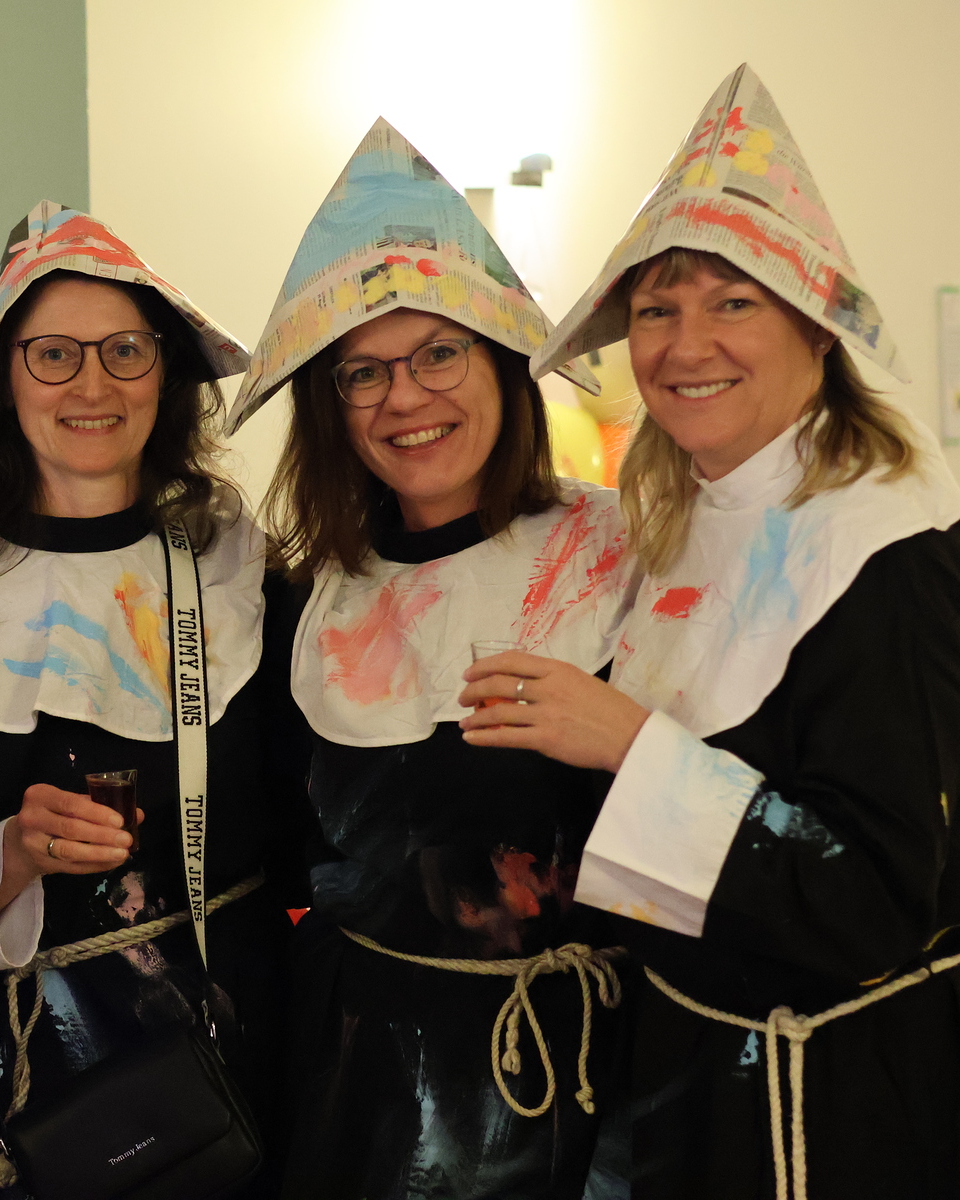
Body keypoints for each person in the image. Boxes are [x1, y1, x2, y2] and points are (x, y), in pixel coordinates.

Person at [495, 66, 960, 1199]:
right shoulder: (679, 515)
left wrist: (628, 743)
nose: (685, 345)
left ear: (818, 327)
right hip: (698, 1072)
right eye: (656, 310)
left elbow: (872, 899)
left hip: (857, 1099)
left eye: (734, 302)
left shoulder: (893, 553)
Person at [223, 118, 642, 1200]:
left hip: (585, 1078)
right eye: (362, 373)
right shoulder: (309, 601)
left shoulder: (626, 555)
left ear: (505, 365)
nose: (404, 397)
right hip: (368, 1096)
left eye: (440, 353)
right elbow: (271, 847)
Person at [0, 202, 309, 1200]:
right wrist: (8, 854)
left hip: (235, 1068)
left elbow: (312, 834)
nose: (93, 385)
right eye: (54, 354)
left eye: (125, 351)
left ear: (166, 375)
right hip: (23, 1092)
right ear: (2, 380)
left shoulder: (243, 574)